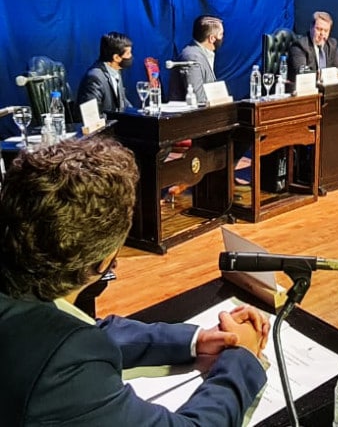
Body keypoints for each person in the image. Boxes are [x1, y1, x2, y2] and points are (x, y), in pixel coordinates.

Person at [0, 137, 270, 424]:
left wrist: (195, 340)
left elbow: (87, 330)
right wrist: (241, 357)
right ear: (106, 260)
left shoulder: (22, 295)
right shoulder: (62, 366)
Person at [168, 14, 225, 104]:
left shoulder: (201, 54)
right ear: (212, 38)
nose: (223, 37)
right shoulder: (192, 57)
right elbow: (197, 99)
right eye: (221, 34)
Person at [77, 31, 134, 113]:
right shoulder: (94, 78)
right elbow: (91, 114)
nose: (131, 56)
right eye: (128, 53)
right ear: (116, 57)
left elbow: (122, 102)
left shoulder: (116, 71)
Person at [288, 10, 338, 82]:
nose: (322, 34)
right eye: (319, 29)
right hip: (306, 86)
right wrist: (322, 75)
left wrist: (334, 73)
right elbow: (301, 71)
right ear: (311, 28)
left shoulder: (332, 44)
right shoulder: (300, 45)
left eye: (326, 30)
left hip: (328, 86)